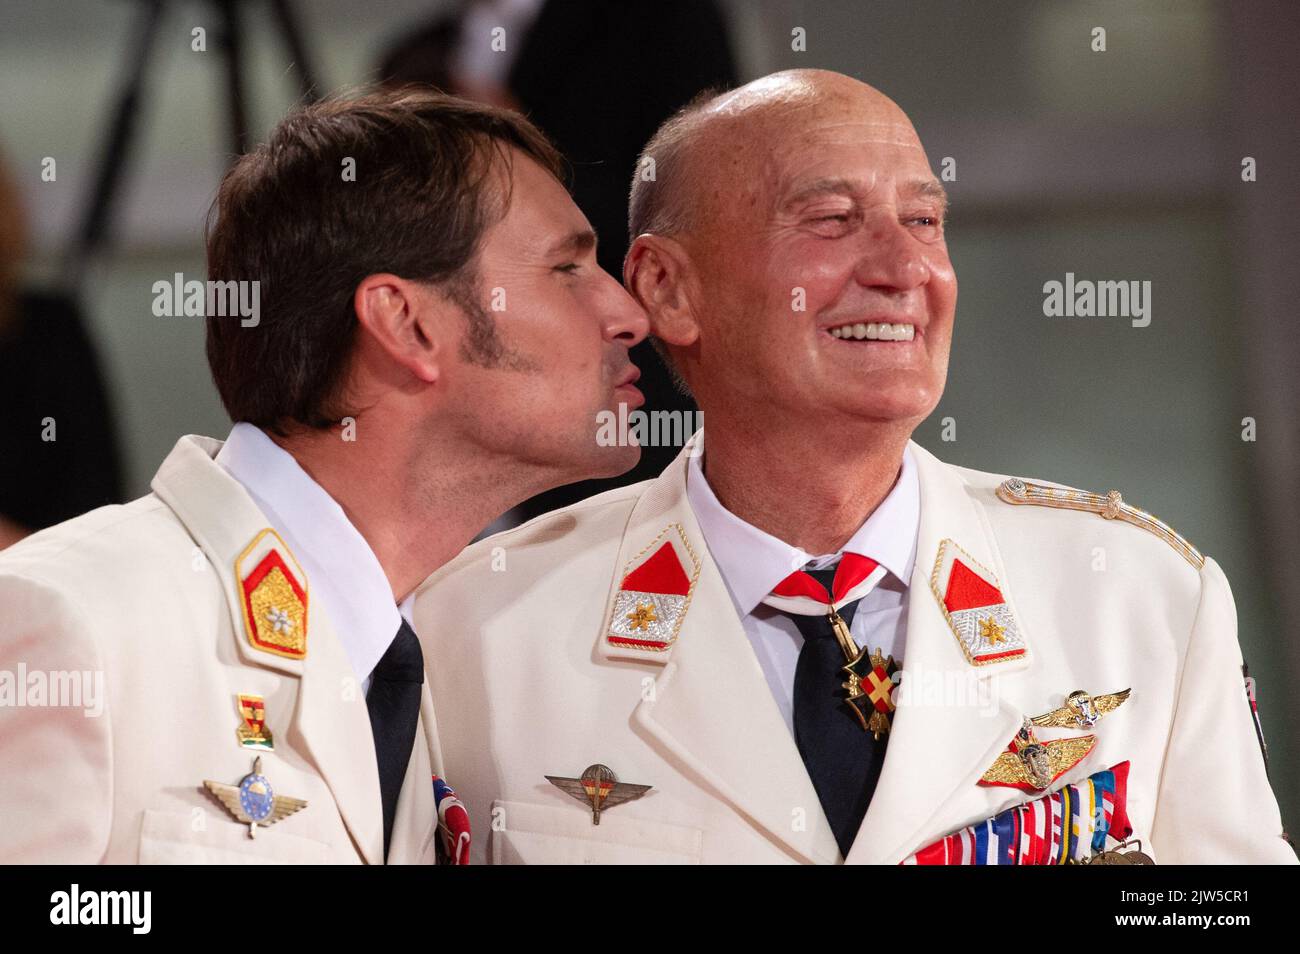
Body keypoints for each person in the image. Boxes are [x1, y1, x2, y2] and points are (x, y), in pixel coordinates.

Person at [411, 69, 1295, 864]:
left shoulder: (1142, 595)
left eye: (922, 220)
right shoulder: (475, 632)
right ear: (669, 290)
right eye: (832, 221)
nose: (906, 267)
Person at [0, 88, 647, 863]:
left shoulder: (456, 664)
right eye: (568, 267)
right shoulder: (68, 618)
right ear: (406, 323)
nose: (627, 311)